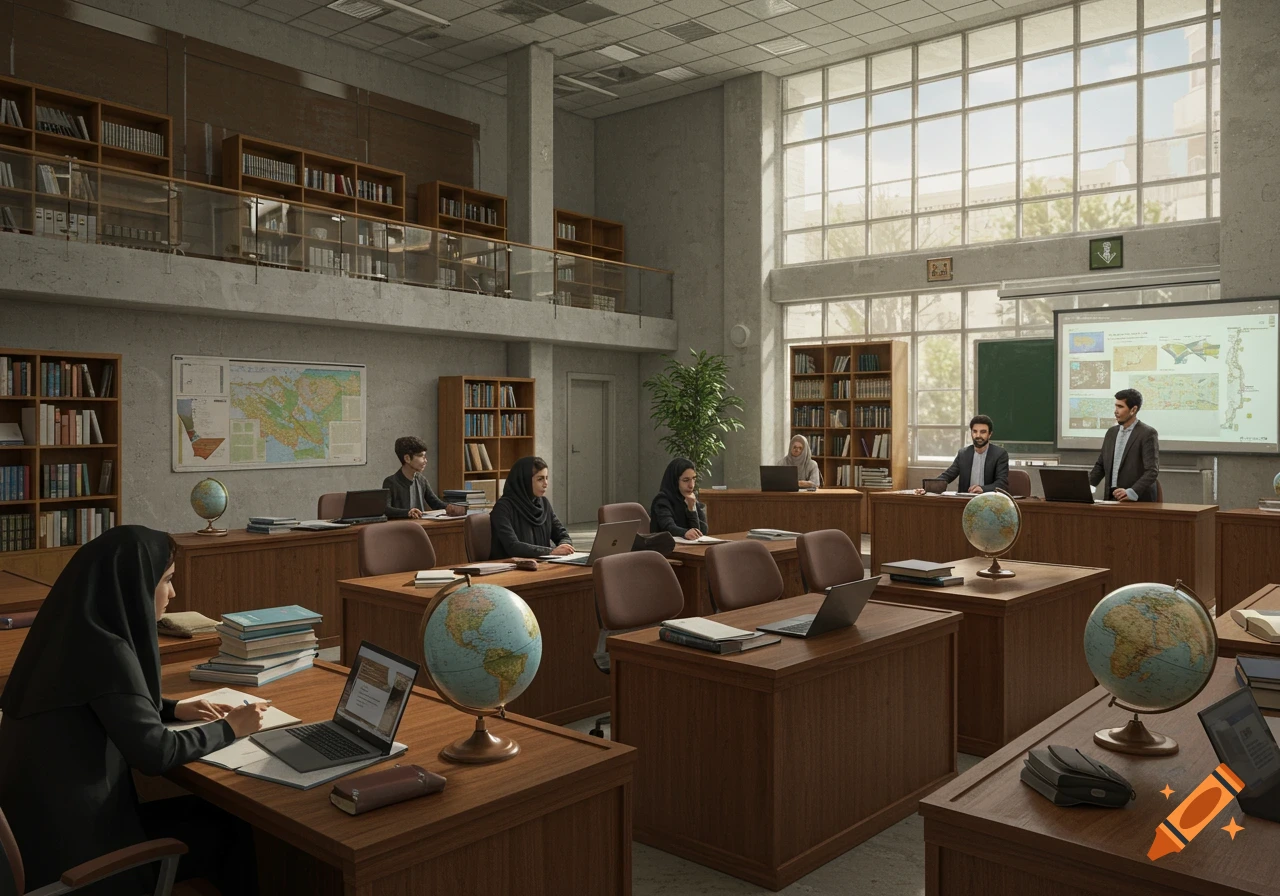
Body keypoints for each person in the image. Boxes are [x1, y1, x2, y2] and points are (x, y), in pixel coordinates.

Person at [0, 526, 268, 896]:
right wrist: (231, 727)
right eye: (167, 580)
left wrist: (174, 709)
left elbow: (100, 704)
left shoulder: (68, 633)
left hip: (44, 841)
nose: (173, 593)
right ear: (133, 584)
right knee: (230, 825)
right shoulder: (108, 652)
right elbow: (156, 754)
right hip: (86, 860)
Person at [489, 456, 574, 558]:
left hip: (542, 565)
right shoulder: (503, 508)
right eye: (540, 479)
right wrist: (551, 551)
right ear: (524, 481)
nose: (545, 484)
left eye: (546, 478)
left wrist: (564, 545)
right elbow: (513, 546)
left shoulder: (544, 504)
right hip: (512, 567)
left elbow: (562, 535)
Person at [1089, 388, 1160, 502]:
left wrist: (1131, 492)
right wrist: (1088, 487)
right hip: (1111, 498)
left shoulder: (1147, 433)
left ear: (1133, 410)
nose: (1116, 411)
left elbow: (1152, 471)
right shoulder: (1111, 432)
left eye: (1120, 407)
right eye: (1116, 406)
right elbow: (1100, 466)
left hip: (1137, 500)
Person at [917, 415, 1009, 495]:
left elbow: (1002, 483)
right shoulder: (963, 454)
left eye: (983, 432)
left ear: (990, 434)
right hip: (965, 502)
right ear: (971, 433)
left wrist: (983, 489)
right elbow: (947, 476)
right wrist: (927, 489)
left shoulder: (1000, 454)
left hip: (990, 502)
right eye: (975, 431)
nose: (978, 435)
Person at [383, 436, 447, 519]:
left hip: (420, 526)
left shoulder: (422, 480)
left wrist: (451, 507)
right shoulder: (390, 482)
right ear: (407, 458)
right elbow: (386, 509)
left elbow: (435, 503)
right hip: (399, 528)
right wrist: (408, 512)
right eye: (421, 456)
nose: (425, 461)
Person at [650, 458, 707, 540]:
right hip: (665, 549)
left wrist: (692, 509)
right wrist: (685, 533)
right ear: (675, 481)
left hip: (688, 548)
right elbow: (669, 527)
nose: (691, 485)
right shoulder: (662, 500)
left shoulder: (690, 498)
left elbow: (702, 531)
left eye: (694, 479)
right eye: (686, 480)